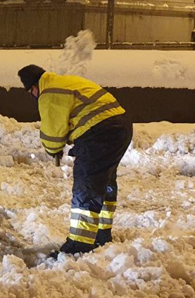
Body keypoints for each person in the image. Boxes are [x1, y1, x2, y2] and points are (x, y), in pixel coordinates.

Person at [18, 65, 133, 256]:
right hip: (121, 127)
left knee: (86, 184)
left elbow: (52, 132)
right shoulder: (64, 82)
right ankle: (102, 234)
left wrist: (53, 150)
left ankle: (79, 245)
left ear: (33, 87)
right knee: (104, 180)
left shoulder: (49, 92)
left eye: (31, 92)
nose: (33, 96)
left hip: (99, 132)